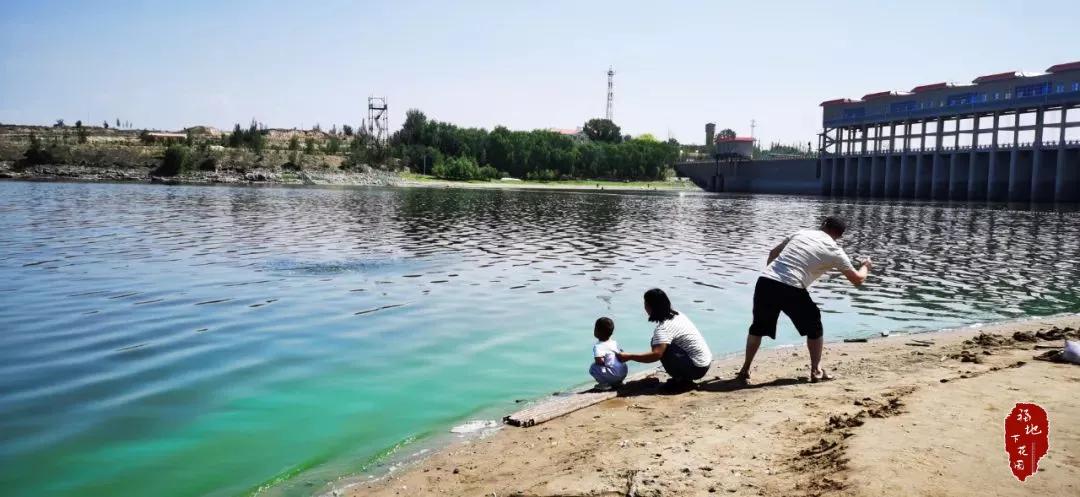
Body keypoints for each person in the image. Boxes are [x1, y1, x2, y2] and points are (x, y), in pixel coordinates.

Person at [736, 216, 872, 384]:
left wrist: (774, 277)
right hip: (790, 285)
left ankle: (745, 369)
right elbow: (857, 279)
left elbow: (773, 253)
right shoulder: (835, 251)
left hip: (766, 280)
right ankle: (816, 370)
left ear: (823, 225)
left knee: (758, 327)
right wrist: (866, 266)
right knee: (814, 324)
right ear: (839, 235)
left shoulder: (802, 233)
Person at [618, 289, 713, 390]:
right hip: (705, 363)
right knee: (658, 342)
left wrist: (630, 356)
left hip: (696, 368)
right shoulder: (678, 315)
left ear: (650, 307)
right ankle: (683, 378)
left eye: (645, 303)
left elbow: (655, 355)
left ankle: (681, 380)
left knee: (660, 346)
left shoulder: (664, 328)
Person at [589, 317, 628, 390]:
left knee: (593, 367)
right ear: (612, 332)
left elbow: (599, 361)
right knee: (613, 364)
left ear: (596, 332)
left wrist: (601, 363)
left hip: (613, 374)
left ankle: (604, 384)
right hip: (623, 372)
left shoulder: (598, 346)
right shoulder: (614, 343)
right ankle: (618, 382)